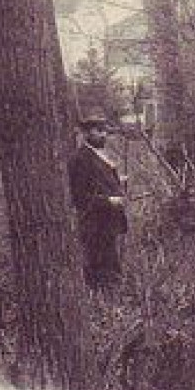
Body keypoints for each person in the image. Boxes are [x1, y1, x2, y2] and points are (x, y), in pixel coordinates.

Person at [68, 115, 128, 291]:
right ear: (86, 133)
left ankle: (112, 298)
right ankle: (101, 301)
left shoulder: (98, 154)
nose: (104, 135)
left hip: (108, 222)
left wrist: (118, 180)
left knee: (110, 261)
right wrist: (108, 201)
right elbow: (79, 195)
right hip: (94, 222)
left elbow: (98, 181)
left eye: (105, 131)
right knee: (98, 265)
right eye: (98, 131)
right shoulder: (80, 159)